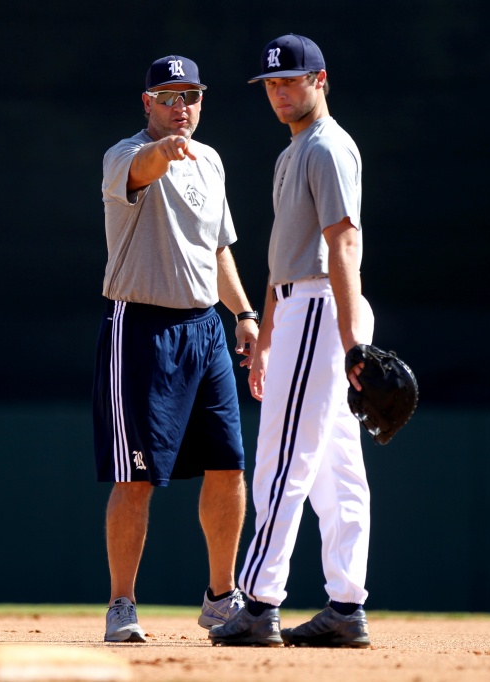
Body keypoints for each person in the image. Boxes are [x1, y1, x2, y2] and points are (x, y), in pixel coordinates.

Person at [209, 34, 376, 648]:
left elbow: (343, 243)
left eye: (291, 80)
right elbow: (284, 257)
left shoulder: (329, 149)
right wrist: (268, 334)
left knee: (282, 461)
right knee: (336, 469)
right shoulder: (294, 151)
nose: (279, 92)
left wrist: (352, 338)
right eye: (271, 84)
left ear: (320, 79)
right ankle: (345, 606)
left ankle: (258, 603)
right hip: (296, 309)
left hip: (320, 307)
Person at [94, 54, 261, 643]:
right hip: (141, 326)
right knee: (135, 476)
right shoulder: (126, 154)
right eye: (166, 96)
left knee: (229, 465)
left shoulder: (210, 160)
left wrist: (242, 314)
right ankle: (122, 605)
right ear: (147, 103)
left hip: (205, 329)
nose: (179, 107)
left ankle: (221, 599)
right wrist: (160, 151)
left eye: (189, 96)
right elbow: (139, 169)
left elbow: (217, 250)